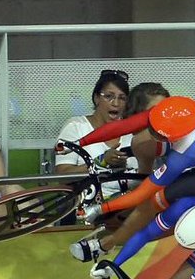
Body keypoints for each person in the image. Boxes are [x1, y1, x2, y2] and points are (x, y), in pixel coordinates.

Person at [65, 95, 195, 262]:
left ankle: (107, 244)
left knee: (154, 201)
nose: (151, 130)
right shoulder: (170, 110)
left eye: (157, 132)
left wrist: (100, 208)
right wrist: (79, 142)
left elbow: (143, 193)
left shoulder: (186, 153)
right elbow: (123, 126)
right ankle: (128, 221)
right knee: (142, 144)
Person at [55, 70, 137, 200]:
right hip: (88, 205)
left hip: (131, 202)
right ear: (96, 98)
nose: (116, 103)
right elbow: (62, 177)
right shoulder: (76, 126)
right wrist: (101, 162)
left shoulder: (134, 131)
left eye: (122, 98)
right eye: (109, 96)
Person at [122, 82, 170, 175]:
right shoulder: (123, 144)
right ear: (136, 114)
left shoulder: (174, 140)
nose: (164, 115)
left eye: (166, 109)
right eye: (156, 111)